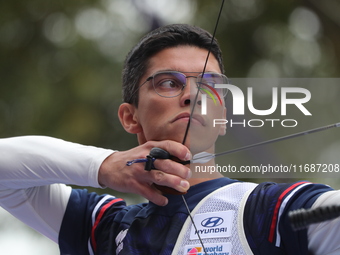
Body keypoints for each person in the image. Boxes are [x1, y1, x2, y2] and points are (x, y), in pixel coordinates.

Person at [0, 24, 339, 255]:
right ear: (130, 117)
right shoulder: (104, 228)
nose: (193, 95)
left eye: (210, 85)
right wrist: (104, 166)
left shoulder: (273, 211)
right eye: (168, 83)